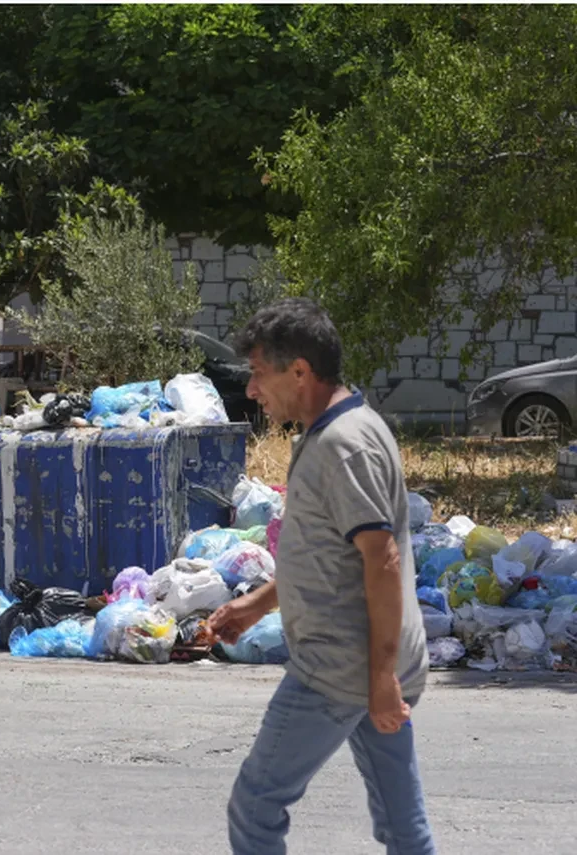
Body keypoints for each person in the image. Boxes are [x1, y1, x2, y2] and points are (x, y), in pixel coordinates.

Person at [209, 298, 435, 855]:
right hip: (372, 665)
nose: (252, 389)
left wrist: (380, 680)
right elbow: (335, 556)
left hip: (340, 670)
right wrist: (260, 603)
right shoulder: (339, 427)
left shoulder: (343, 445)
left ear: (299, 372)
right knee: (403, 828)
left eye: (258, 373)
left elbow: (381, 560)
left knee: (256, 807)